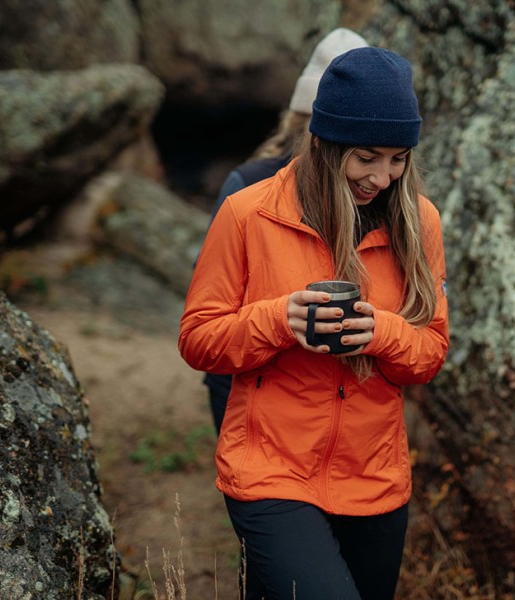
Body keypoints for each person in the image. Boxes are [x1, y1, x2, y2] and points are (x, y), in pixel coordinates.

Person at [178, 46, 449, 600]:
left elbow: (430, 355)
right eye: (367, 157)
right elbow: (198, 339)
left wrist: (382, 331)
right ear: (325, 143)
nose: (382, 176)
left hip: (374, 477)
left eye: (398, 159)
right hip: (269, 470)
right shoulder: (248, 213)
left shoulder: (420, 221)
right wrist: (279, 319)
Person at [203, 28, 369, 434]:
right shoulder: (249, 184)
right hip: (245, 377)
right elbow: (208, 295)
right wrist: (279, 317)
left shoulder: (374, 191)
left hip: (341, 397)